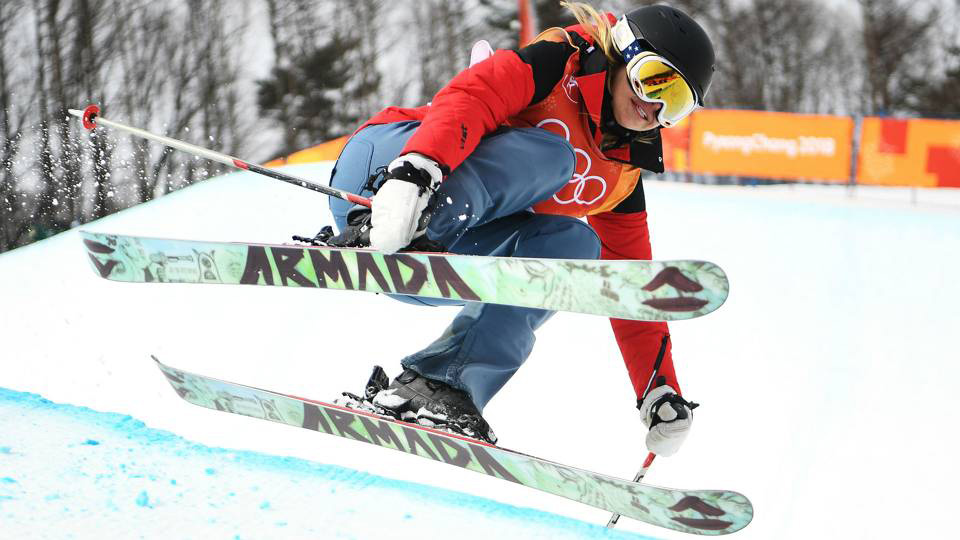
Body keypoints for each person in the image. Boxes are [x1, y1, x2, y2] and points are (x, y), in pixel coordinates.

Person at [327, 2, 715, 455]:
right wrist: (417, 171)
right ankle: (405, 221)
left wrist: (659, 389)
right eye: (654, 80)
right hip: (387, 172)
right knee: (553, 155)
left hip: (441, 252)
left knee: (575, 246)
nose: (654, 107)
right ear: (624, 52)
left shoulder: (621, 174)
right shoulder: (558, 62)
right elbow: (474, 95)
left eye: (676, 104)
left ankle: (440, 385)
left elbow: (627, 285)